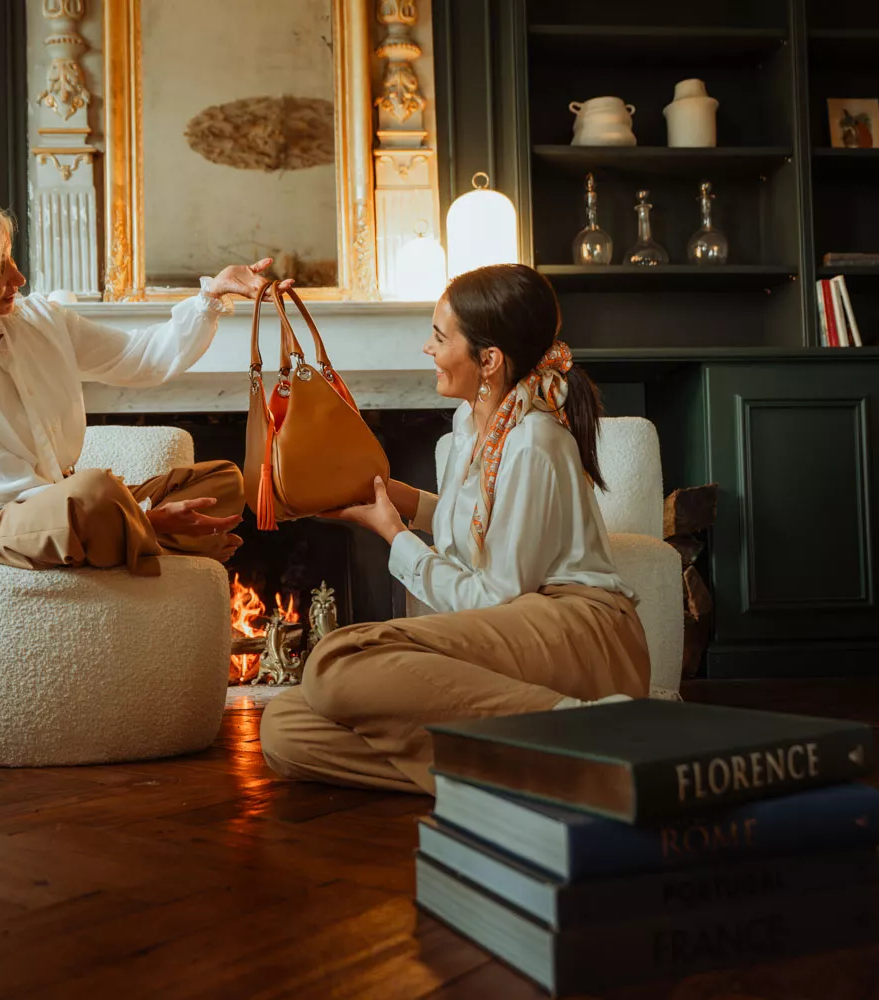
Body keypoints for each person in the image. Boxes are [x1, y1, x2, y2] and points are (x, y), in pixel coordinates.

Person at [260, 263, 650, 794]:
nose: (428, 348)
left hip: (579, 632)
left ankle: (599, 735)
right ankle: (536, 770)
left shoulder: (535, 441)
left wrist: (394, 535)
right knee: (287, 728)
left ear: (488, 360)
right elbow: (476, 522)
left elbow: (494, 597)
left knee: (335, 660)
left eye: (440, 337)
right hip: (518, 632)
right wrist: (383, 495)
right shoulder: (471, 423)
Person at [0, 190, 291, 575]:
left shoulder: (41, 321)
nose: (19, 277)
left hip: (73, 503)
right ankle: (160, 541)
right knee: (94, 491)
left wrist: (213, 294)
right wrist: (145, 516)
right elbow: (17, 493)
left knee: (224, 480)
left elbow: (141, 360)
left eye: (9, 258)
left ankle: (133, 539)